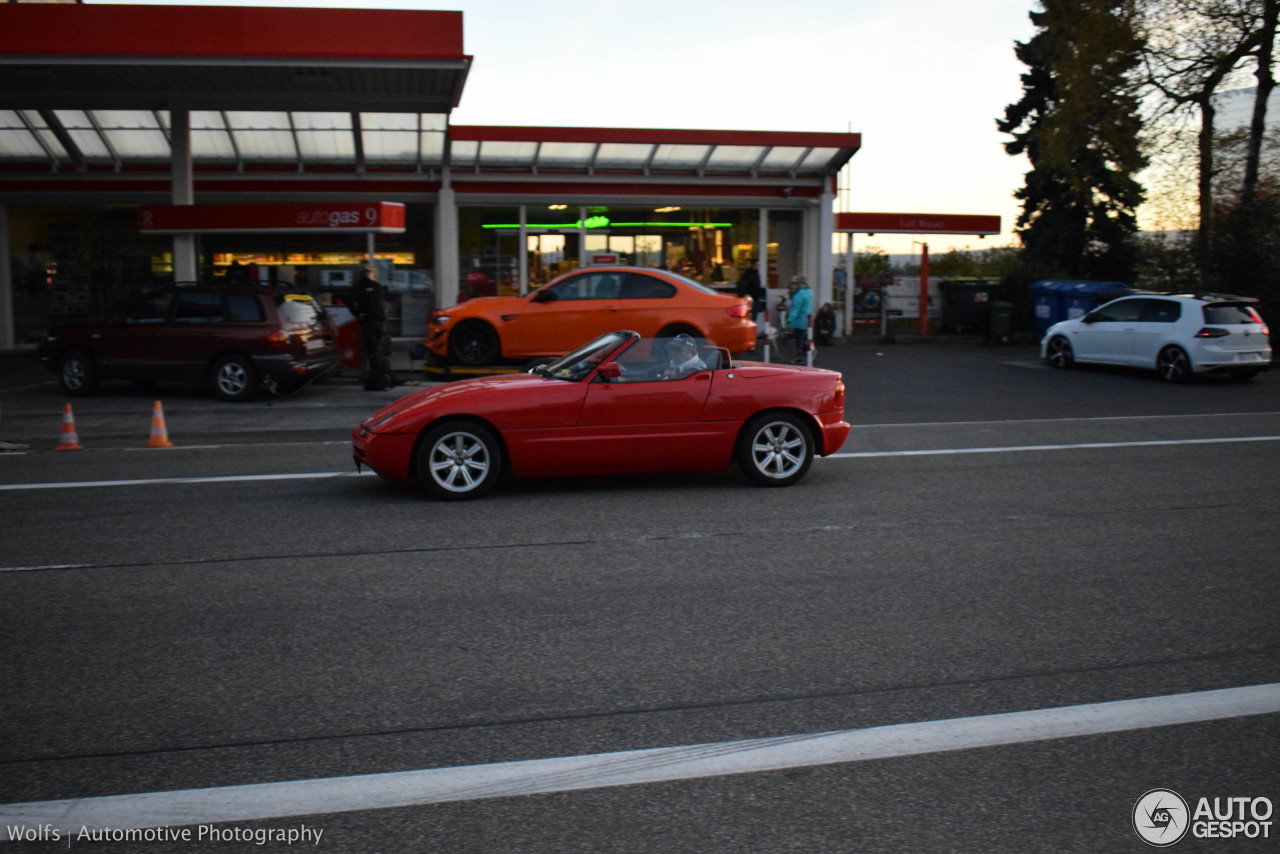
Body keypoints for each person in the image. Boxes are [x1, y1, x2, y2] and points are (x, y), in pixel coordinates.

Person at [348, 265, 391, 390]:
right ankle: (379, 379)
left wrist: (357, 314)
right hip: (379, 321)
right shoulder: (377, 287)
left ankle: (375, 381)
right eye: (373, 275)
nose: (374, 277)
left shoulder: (358, 288)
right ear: (368, 274)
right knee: (377, 350)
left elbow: (349, 301)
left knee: (371, 351)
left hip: (367, 321)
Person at [786, 275, 814, 364]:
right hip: (807, 319)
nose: (795, 285)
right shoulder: (809, 292)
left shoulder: (800, 294)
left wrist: (789, 319)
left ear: (800, 283)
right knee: (806, 337)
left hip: (799, 320)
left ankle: (801, 357)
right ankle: (810, 351)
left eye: (796, 283)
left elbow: (795, 308)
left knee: (799, 340)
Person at [734, 258, 764, 328]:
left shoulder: (750, 273)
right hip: (752, 298)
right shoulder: (752, 274)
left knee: (750, 317)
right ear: (754, 265)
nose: (758, 266)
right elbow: (752, 285)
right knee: (752, 317)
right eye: (757, 264)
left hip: (752, 297)